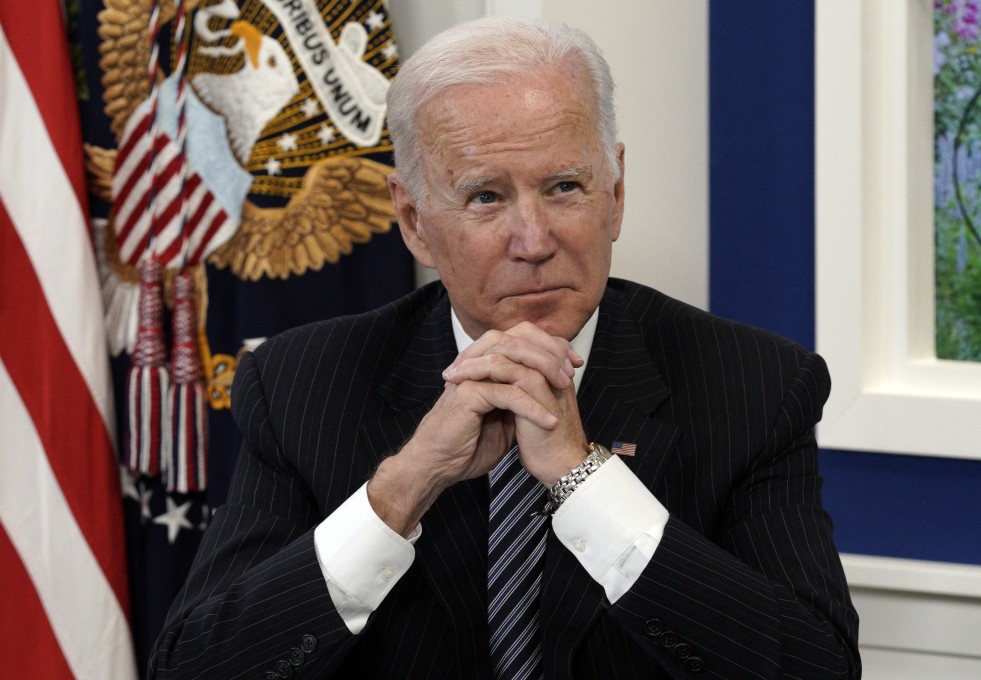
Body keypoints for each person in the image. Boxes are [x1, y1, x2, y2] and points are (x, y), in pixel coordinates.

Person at [150, 17, 861, 679]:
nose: (534, 241)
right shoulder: (301, 384)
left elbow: (817, 668)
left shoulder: (757, 385)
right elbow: (193, 668)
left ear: (616, 193)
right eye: (486, 197)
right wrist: (405, 485)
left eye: (565, 187)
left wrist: (586, 483)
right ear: (414, 221)